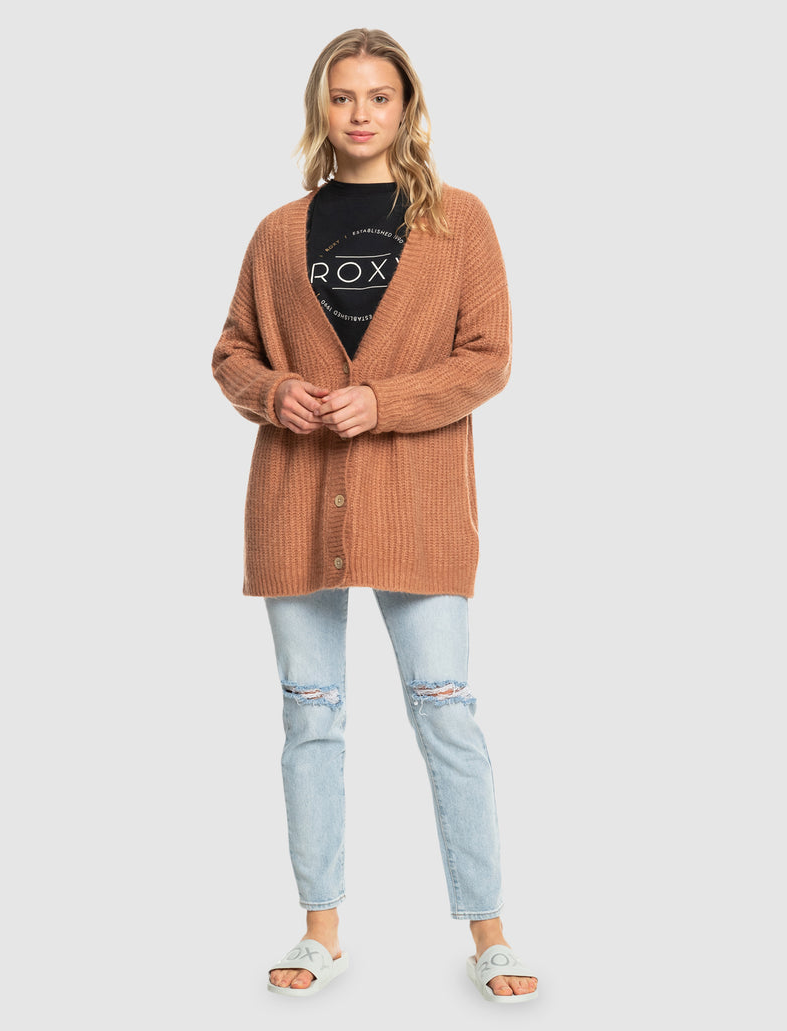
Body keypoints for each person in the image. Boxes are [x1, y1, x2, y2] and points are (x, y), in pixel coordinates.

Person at [212, 27, 538, 1004]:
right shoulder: (278, 232)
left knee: (445, 707)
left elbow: (488, 356)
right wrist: (275, 392)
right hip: (296, 500)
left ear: (406, 108)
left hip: (420, 502)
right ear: (322, 107)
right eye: (343, 95)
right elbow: (231, 351)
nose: (360, 113)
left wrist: (382, 402)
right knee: (309, 714)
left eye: (379, 96)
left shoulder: (460, 221)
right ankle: (320, 928)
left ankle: (489, 928)